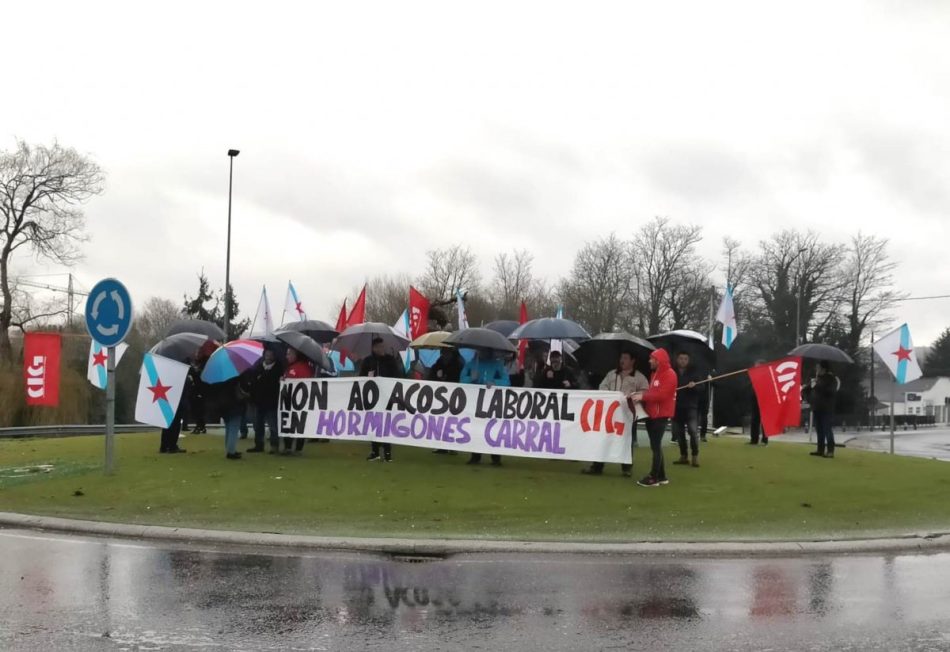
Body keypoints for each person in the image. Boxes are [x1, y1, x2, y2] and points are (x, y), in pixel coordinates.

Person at [583, 351, 649, 477]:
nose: (622, 360)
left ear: (632, 361)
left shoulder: (639, 377)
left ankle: (626, 468)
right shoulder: (612, 374)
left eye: (625, 358)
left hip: (627, 413)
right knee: (602, 437)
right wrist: (610, 394)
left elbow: (645, 391)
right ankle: (597, 466)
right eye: (621, 358)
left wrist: (634, 395)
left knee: (627, 440)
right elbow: (602, 386)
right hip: (610, 412)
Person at [630, 348, 677, 488]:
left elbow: (662, 395)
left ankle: (653, 477)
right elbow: (653, 392)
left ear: (659, 360)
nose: (650, 361)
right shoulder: (654, 374)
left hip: (660, 415)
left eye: (652, 359)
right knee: (655, 445)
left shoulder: (670, 374)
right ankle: (661, 476)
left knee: (656, 446)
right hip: (652, 414)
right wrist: (640, 395)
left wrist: (643, 396)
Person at [359, 337, 404, 461]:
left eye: (382, 346)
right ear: (373, 348)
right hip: (372, 397)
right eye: (379, 347)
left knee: (385, 424)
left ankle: (387, 453)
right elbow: (361, 377)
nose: (381, 349)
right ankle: (375, 451)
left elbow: (397, 375)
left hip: (387, 397)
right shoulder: (368, 361)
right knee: (374, 423)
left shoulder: (390, 360)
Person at [462, 350, 510, 466]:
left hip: (492, 401)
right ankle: (475, 456)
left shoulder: (497, 364)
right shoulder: (471, 364)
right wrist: (471, 379)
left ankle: (496, 457)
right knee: (475, 428)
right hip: (475, 400)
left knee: (493, 428)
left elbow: (506, 381)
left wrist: (494, 383)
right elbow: (461, 379)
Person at [246, 348, 283, 454]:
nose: (268, 357)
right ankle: (259, 445)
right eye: (266, 355)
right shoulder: (258, 368)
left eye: (270, 355)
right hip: (259, 401)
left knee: (273, 425)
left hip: (272, 402)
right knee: (258, 425)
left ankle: (274, 446)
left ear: (274, 356)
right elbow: (253, 383)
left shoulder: (278, 369)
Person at [672, 352, 703, 468]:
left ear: (688, 360)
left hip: (691, 407)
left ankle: (695, 456)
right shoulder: (672, 372)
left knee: (693, 431)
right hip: (676, 406)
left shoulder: (694, 373)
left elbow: (702, 388)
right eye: (681, 358)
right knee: (678, 433)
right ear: (677, 359)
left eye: (685, 359)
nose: (683, 361)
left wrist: (694, 386)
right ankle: (683, 456)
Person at [281, 347, 314, 455]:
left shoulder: (296, 368)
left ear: (295, 355)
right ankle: (296, 448)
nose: (287, 356)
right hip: (296, 402)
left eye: (289, 354)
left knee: (292, 424)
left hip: (295, 402)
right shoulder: (305, 367)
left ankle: (290, 447)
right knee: (298, 424)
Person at [806, 361, 839, 458]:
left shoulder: (831, 379)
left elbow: (830, 392)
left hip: (826, 408)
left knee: (827, 429)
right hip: (816, 407)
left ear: (823, 369)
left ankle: (830, 451)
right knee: (819, 430)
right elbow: (811, 391)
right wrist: (807, 389)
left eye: (818, 368)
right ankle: (820, 450)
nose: (816, 370)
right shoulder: (817, 379)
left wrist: (817, 385)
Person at [159, 371, 190, 454]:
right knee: (176, 424)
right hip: (178, 402)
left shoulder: (169, 374)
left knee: (168, 424)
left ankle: (164, 446)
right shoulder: (182, 376)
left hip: (169, 401)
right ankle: (172, 446)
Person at [749, 359, 767, 446]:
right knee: (754, 419)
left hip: (763, 399)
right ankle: (754, 439)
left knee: (764, 420)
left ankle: (764, 440)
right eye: (755, 365)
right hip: (754, 399)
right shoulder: (755, 374)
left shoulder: (766, 375)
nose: (755, 367)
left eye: (757, 365)